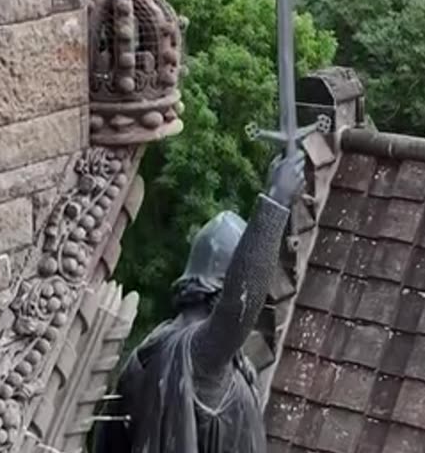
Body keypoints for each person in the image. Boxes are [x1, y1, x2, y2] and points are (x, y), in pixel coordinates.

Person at [92, 149, 308, 453]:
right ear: (225, 284)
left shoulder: (159, 345)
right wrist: (276, 200)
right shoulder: (194, 356)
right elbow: (238, 309)